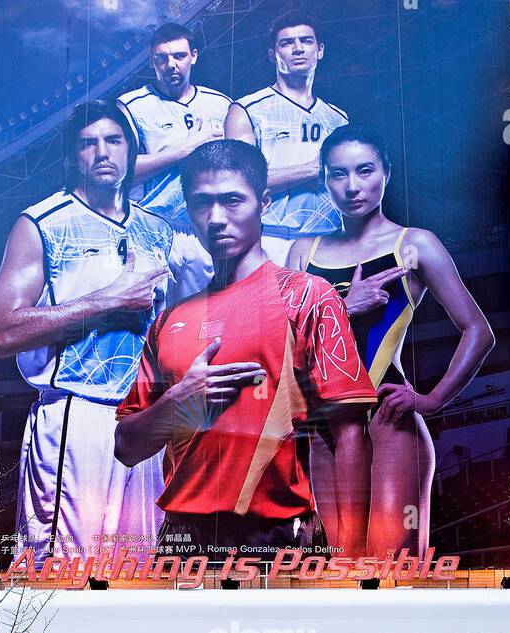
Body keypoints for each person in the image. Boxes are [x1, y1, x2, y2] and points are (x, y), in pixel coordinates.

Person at [115, 139, 377, 559]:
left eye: (233, 200)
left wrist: (356, 559)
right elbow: (127, 446)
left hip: (278, 536)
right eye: (202, 203)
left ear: (265, 203)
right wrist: (177, 405)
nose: (216, 218)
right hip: (180, 541)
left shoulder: (307, 297)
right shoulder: (169, 320)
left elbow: (349, 435)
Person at [0, 98, 209, 564]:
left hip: (144, 421)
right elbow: (4, 331)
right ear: (73, 157)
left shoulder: (160, 231)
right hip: (75, 415)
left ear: (132, 150)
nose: (103, 152)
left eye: (114, 140)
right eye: (89, 144)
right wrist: (109, 301)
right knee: (60, 576)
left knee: (137, 572)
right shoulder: (42, 222)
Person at [288, 125, 493, 555]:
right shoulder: (303, 252)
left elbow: (478, 330)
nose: (352, 186)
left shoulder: (414, 244)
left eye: (365, 171)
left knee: (390, 574)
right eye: (338, 174)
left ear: (386, 172)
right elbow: (288, 350)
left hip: (389, 422)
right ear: (324, 180)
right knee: (341, 569)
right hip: (327, 428)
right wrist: (345, 307)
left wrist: (432, 400)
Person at [225, 12, 347, 265]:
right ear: (273, 54)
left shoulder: (338, 118)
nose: (298, 48)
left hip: (328, 237)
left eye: (306, 41)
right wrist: (315, 169)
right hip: (271, 237)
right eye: (287, 43)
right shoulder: (247, 110)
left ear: (320, 50)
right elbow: (240, 183)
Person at [122, 23, 229, 231]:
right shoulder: (130, 106)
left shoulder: (221, 103)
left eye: (179, 56)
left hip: (213, 223)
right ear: (152, 62)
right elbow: (120, 172)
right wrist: (184, 150)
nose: (171, 65)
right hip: (156, 226)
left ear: (194, 56)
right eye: (161, 58)